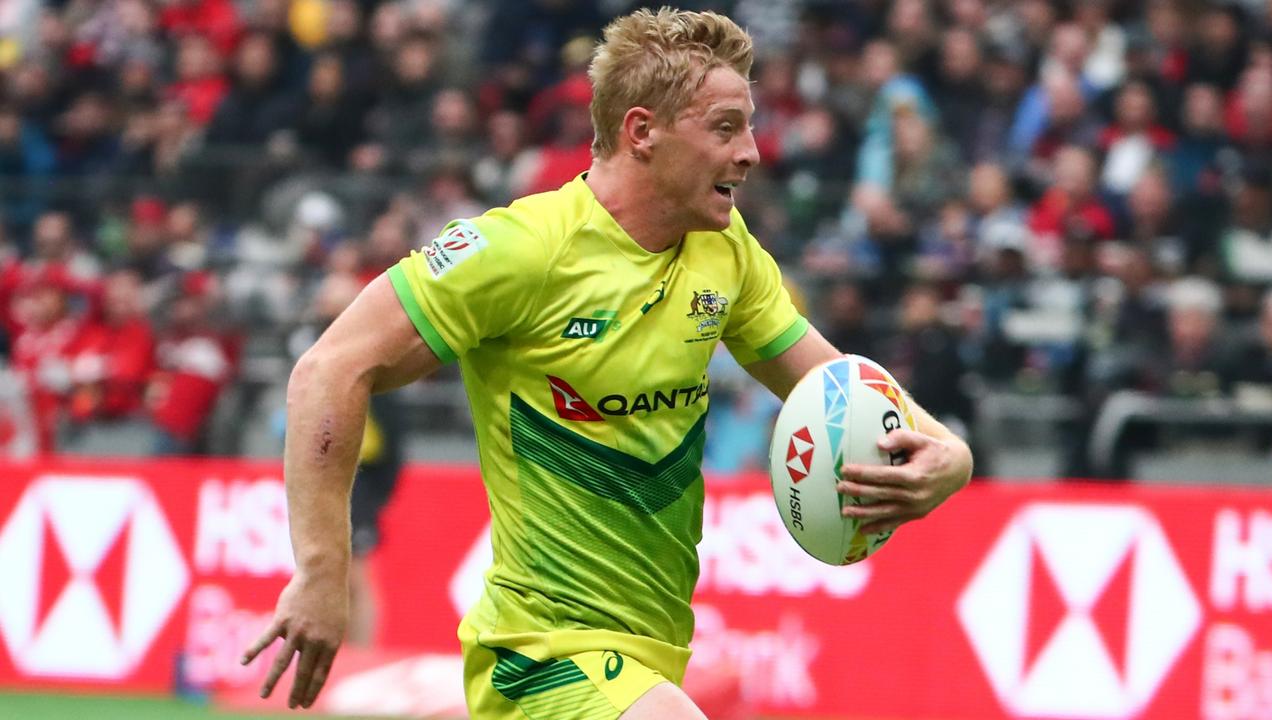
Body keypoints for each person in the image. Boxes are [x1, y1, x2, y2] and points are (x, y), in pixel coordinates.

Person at [241, 9, 973, 719]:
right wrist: (320, 574)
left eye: (748, 125)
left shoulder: (725, 250)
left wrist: (950, 455)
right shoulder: (523, 250)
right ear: (642, 131)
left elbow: (834, 381)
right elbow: (328, 369)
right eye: (725, 127)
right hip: (539, 655)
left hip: (651, 653)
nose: (751, 151)